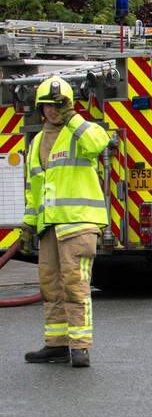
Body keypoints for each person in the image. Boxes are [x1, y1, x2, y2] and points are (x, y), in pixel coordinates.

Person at [20, 75, 110, 367]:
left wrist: (74, 117)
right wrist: (28, 224)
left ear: (68, 105)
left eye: (58, 105)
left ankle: (80, 347)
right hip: (50, 228)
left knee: (75, 286)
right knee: (51, 286)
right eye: (47, 105)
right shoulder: (35, 143)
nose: (52, 110)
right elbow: (34, 190)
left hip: (78, 224)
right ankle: (56, 344)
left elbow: (99, 142)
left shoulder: (79, 132)